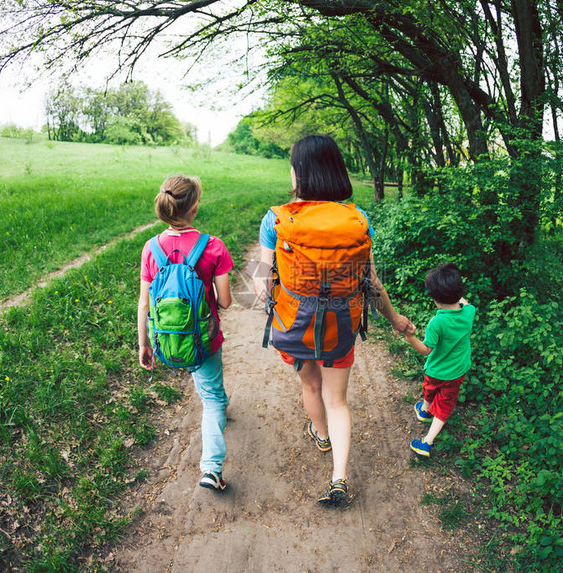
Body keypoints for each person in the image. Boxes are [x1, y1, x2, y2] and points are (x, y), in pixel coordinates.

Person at [254, 134, 413, 507]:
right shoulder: (359, 220)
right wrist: (394, 318)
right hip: (340, 328)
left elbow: (261, 284)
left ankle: (320, 434)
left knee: (311, 387)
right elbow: (371, 283)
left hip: (295, 326)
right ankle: (339, 478)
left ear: (298, 174)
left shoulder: (276, 219)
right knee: (337, 399)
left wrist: (274, 291)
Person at [138, 174, 234, 491]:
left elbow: (144, 303)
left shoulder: (151, 248)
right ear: (194, 208)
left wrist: (145, 344)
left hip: (167, 339)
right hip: (205, 339)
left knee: (209, 391)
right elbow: (225, 301)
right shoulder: (213, 247)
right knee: (212, 401)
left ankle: (218, 403)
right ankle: (211, 468)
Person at [402, 263, 475, 457]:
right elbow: (465, 302)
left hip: (436, 371)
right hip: (457, 371)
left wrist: (410, 337)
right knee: (445, 405)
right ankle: (426, 427)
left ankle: (426, 432)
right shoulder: (470, 312)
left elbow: (426, 350)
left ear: (435, 299)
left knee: (430, 388)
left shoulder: (437, 322)